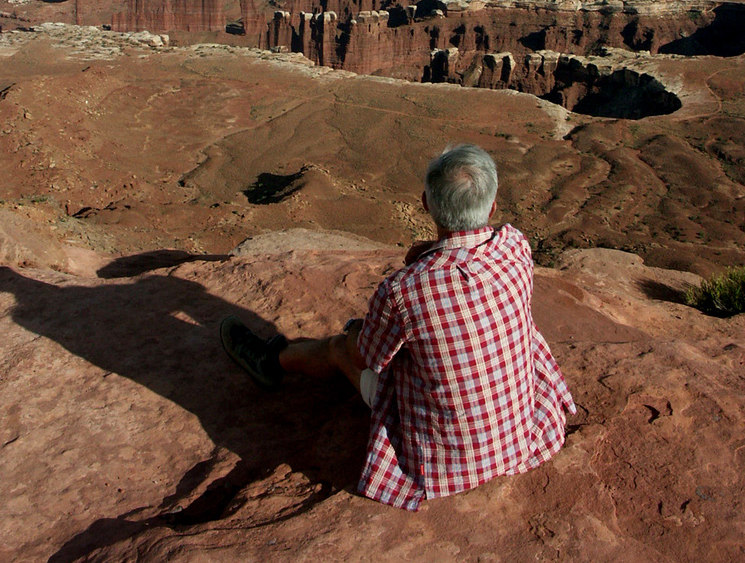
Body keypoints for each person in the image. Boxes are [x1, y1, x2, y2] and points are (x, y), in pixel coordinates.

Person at [220, 143, 575, 510]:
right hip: (517, 432)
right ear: (493, 206)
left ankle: (270, 359)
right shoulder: (516, 246)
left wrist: (358, 332)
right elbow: (466, 262)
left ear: (425, 203)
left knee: (340, 348)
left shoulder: (404, 289)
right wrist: (432, 252)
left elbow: (364, 359)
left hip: (448, 459)